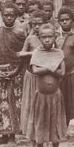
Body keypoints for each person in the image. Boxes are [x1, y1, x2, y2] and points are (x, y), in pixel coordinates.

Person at [26, 23, 67, 147]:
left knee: (55, 126)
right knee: (40, 125)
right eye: (44, 37)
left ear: (55, 37)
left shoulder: (59, 53)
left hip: (55, 96)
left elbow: (62, 72)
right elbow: (35, 70)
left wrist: (48, 68)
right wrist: (50, 67)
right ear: (40, 38)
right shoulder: (37, 52)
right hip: (41, 97)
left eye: (50, 36)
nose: (47, 40)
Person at [0, 2, 25, 145]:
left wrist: (15, 71)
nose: (8, 17)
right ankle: (2, 134)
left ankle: (12, 135)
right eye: (5, 15)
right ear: (1, 16)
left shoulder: (20, 33)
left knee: (12, 104)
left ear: (16, 16)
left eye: (11, 15)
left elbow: (22, 55)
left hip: (15, 73)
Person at [18, 10, 47, 138]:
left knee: (42, 104)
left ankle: (43, 133)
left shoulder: (49, 38)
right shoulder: (30, 38)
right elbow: (21, 54)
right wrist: (33, 53)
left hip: (44, 76)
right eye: (34, 24)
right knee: (30, 104)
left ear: (45, 24)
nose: (36, 27)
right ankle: (31, 134)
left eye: (39, 24)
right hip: (31, 76)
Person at [56, 6, 74, 126]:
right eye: (62, 20)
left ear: (72, 20)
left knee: (68, 101)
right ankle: (57, 127)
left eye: (67, 19)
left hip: (71, 73)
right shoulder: (55, 36)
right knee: (58, 100)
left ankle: (65, 127)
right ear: (59, 21)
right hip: (57, 74)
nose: (65, 22)